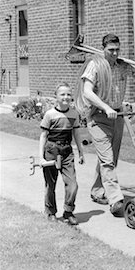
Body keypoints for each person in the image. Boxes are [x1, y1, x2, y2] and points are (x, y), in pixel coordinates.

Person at [75, 33, 135, 217]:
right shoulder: (95, 65)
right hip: (98, 117)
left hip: (117, 115)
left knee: (109, 159)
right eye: (110, 50)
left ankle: (98, 191)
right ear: (103, 49)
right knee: (107, 160)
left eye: (116, 50)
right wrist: (105, 107)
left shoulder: (122, 65)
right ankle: (116, 201)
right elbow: (87, 92)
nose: (114, 53)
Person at [39, 83, 84, 225]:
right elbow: (43, 136)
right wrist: (41, 157)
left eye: (68, 94)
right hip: (51, 151)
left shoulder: (74, 114)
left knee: (73, 185)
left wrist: (81, 152)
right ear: (55, 97)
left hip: (66, 152)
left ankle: (68, 211)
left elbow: (76, 133)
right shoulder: (50, 115)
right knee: (50, 185)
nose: (66, 97)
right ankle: (51, 211)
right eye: (62, 94)